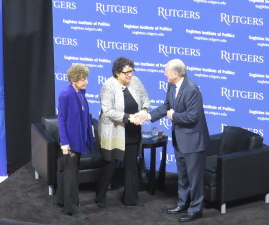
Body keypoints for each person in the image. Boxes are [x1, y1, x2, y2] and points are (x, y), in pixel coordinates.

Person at [143, 59, 209, 222]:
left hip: (193, 141)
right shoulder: (172, 85)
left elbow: (193, 117)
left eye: (166, 70)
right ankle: (183, 203)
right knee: (183, 175)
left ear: (175, 73)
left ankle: (196, 209)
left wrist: (174, 116)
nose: (164, 73)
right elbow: (166, 106)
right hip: (180, 139)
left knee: (194, 178)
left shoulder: (191, 89)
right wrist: (148, 116)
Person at [96, 56, 150, 207]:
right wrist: (128, 117)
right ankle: (100, 197)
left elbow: (146, 98)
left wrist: (144, 111)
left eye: (131, 71)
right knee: (110, 164)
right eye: (126, 72)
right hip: (114, 131)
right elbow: (107, 111)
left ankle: (131, 199)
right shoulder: (108, 86)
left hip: (133, 130)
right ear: (117, 73)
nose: (130, 75)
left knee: (131, 164)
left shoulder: (136, 81)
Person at [56, 64, 94, 220]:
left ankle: (61, 200)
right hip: (70, 142)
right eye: (83, 79)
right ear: (74, 79)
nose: (86, 82)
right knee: (72, 175)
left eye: (86, 78)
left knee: (70, 172)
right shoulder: (65, 94)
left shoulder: (81, 91)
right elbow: (61, 119)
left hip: (79, 139)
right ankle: (72, 208)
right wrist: (64, 142)